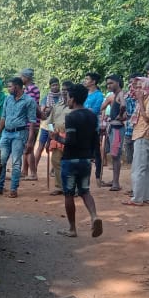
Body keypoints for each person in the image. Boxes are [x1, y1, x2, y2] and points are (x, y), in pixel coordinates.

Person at [48, 83, 103, 238]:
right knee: (85, 191)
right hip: (86, 160)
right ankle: (94, 216)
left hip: (70, 160)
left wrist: (57, 137)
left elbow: (71, 141)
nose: (67, 100)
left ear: (73, 98)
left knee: (69, 194)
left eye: (68, 97)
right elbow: (95, 140)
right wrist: (93, 156)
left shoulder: (71, 117)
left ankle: (72, 228)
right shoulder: (92, 115)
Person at [0, 77, 36, 198]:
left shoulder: (29, 101)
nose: (8, 88)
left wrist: (30, 141)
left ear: (16, 87)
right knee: (1, 161)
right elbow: (3, 117)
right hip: (6, 133)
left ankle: (13, 189)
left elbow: (32, 122)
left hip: (20, 134)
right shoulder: (8, 99)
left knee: (16, 163)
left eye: (10, 86)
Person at [123, 76, 149, 206]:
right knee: (146, 168)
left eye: (140, 87)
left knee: (138, 168)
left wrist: (139, 100)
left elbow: (148, 118)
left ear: (146, 86)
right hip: (145, 135)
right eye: (137, 87)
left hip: (144, 134)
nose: (138, 89)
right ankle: (147, 197)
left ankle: (137, 198)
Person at [99, 74, 128, 190]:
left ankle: (116, 183)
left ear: (118, 82)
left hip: (117, 128)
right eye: (107, 83)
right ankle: (114, 181)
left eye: (111, 83)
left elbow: (123, 106)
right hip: (112, 127)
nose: (108, 85)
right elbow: (102, 107)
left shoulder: (121, 94)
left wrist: (119, 115)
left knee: (115, 155)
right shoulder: (113, 96)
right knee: (114, 154)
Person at [45, 80, 72, 195]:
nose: (65, 92)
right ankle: (60, 186)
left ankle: (71, 188)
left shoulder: (74, 107)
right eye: (64, 90)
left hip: (70, 138)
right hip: (56, 137)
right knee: (56, 161)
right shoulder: (57, 106)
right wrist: (51, 136)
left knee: (69, 163)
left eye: (67, 90)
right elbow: (50, 122)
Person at [34, 77, 63, 183]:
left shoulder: (63, 97)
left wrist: (50, 109)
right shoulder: (46, 97)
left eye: (56, 85)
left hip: (58, 127)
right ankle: (34, 169)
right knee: (41, 147)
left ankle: (53, 169)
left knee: (56, 148)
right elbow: (43, 112)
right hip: (47, 126)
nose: (55, 87)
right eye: (53, 85)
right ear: (50, 86)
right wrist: (48, 109)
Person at [82, 72, 105, 185]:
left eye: (87, 79)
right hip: (82, 127)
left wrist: (83, 110)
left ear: (93, 82)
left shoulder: (99, 95)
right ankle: (85, 178)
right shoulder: (84, 93)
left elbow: (94, 111)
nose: (85, 81)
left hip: (92, 128)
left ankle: (97, 177)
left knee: (96, 153)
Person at [20, 68, 42, 181]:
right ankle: (24, 172)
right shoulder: (29, 89)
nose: (20, 78)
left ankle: (33, 173)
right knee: (26, 148)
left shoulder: (31, 90)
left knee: (29, 148)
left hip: (31, 123)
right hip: (29, 122)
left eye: (22, 76)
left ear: (26, 77)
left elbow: (31, 108)